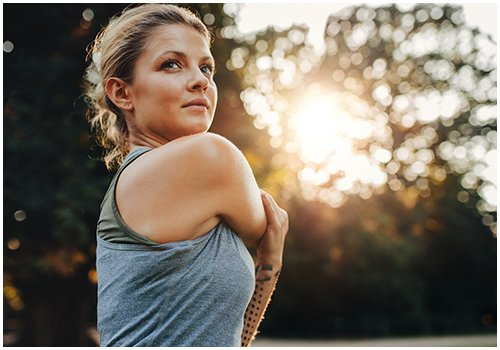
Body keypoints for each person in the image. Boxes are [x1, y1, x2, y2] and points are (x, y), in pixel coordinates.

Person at [84, 4, 288, 347]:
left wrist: (270, 262)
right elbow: (264, 226)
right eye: (172, 64)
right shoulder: (210, 155)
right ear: (122, 93)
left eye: (206, 67)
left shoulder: (145, 180)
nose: (200, 81)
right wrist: (271, 252)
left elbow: (232, 341)